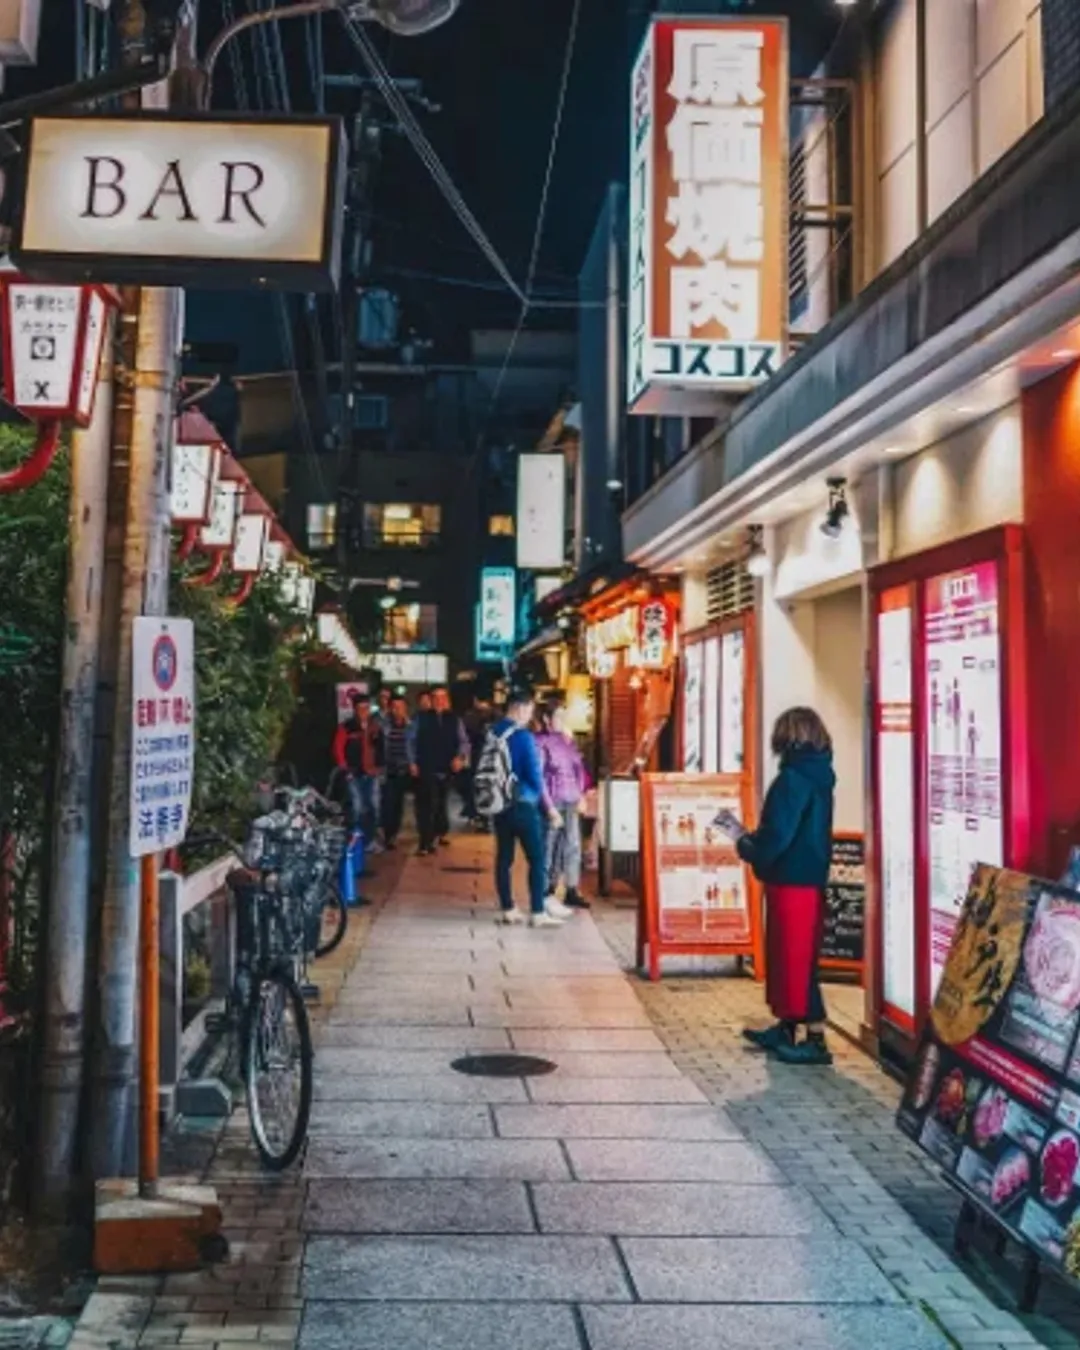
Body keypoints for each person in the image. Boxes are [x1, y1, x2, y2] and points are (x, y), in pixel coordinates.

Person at [733, 706, 836, 1066]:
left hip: (791, 879)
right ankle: (788, 1026)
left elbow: (778, 834)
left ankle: (815, 1038)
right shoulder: (820, 775)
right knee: (794, 956)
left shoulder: (793, 780)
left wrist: (747, 846)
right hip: (807, 876)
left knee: (793, 958)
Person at [489, 689, 564, 928]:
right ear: (520, 708)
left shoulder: (493, 732)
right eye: (530, 710)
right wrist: (549, 809)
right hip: (523, 804)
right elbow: (535, 777)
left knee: (504, 858)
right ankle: (538, 912)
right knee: (537, 858)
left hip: (499, 803)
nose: (530, 715)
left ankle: (508, 908)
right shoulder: (524, 737)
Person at [536, 700, 591, 912]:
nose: (562, 721)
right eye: (558, 716)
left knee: (572, 845)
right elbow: (539, 777)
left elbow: (578, 769)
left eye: (563, 716)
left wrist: (580, 795)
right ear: (547, 720)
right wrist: (548, 806)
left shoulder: (568, 742)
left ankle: (571, 888)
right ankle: (545, 889)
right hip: (553, 798)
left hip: (570, 799)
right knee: (549, 846)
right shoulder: (540, 743)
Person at [412, 685, 469, 855]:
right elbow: (411, 741)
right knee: (426, 805)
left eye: (442, 698)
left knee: (440, 804)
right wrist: (412, 762)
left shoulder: (454, 719)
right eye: (435, 698)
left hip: (446, 769)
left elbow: (464, 742)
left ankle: (437, 834)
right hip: (426, 767)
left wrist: (460, 757)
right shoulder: (421, 718)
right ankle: (424, 841)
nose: (439, 701)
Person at [332, 692, 384, 849]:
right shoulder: (346, 727)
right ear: (355, 709)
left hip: (372, 772)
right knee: (357, 807)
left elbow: (381, 748)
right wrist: (344, 767)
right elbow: (338, 748)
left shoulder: (375, 726)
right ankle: (356, 838)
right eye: (361, 708)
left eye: (366, 708)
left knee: (374, 807)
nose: (364, 711)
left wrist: (380, 767)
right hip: (353, 773)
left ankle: (370, 838)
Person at [380, 694, 414, 850]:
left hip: (404, 770)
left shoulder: (411, 726)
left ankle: (392, 833)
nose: (397, 710)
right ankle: (388, 835)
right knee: (388, 803)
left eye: (400, 707)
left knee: (398, 804)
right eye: (394, 707)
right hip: (388, 770)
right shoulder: (383, 725)